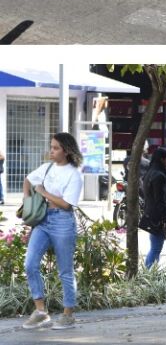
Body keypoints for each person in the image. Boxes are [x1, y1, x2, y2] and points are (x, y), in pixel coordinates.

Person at [22, 133, 84, 330]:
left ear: (66, 151)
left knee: (65, 270)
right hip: (42, 221)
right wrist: (27, 203)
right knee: (30, 264)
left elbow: (66, 204)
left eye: (56, 148)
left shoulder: (74, 174)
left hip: (62, 222)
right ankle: (41, 312)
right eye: (51, 146)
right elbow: (28, 180)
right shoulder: (47, 168)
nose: (51, 150)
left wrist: (44, 193)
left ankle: (68, 315)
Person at [142, 147, 166, 269]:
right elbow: (160, 200)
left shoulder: (149, 173)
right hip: (157, 217)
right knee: (156, 247)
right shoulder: (159, 176)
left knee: (155, 246)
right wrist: (165, 219)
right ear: (162, 159)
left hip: (150, 213)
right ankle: (148, 273)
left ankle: (149, 273)